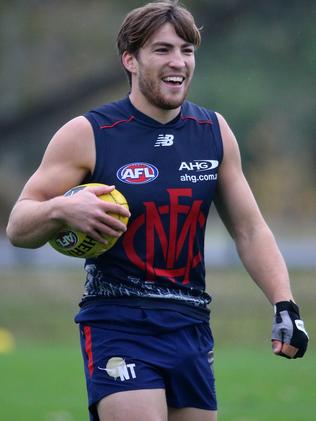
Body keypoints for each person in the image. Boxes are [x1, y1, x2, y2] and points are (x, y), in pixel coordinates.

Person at [6, 1, 309, 420]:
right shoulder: (88, 133)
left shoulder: (213, 132)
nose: (179, 62)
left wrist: (285, 305)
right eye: (163, 50)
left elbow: (250, 231)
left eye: (187, 50)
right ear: (130, 59)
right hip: (118, 320)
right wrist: (62, 208)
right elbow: (18, 226)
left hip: (190, 324)